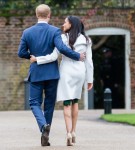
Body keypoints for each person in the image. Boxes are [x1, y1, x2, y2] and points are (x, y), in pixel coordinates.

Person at [17, 4, 86, 147]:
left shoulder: (27, 32)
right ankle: (45, 134)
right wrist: (77, 56)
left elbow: (21, 53)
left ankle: (43, 126)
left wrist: (32, 56)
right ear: (49, 15)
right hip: (52, 74)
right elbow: (61, 49)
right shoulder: (55, 31)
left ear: (37, 15)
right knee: (49, 105)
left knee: (34, 103)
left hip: (36, 72)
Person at [30, 16, 94, 146]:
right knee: (75, 101)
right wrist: (89, 79)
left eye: (65, 22)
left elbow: (53, 56)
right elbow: (89, 62)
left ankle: (68, 133)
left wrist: (38, 59)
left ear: (71, 24)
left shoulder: (62, 38)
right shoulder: (86, 40)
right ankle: (74, 132)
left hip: (66, 71)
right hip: (80, 72)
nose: (63, 24)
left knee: (67, 103)